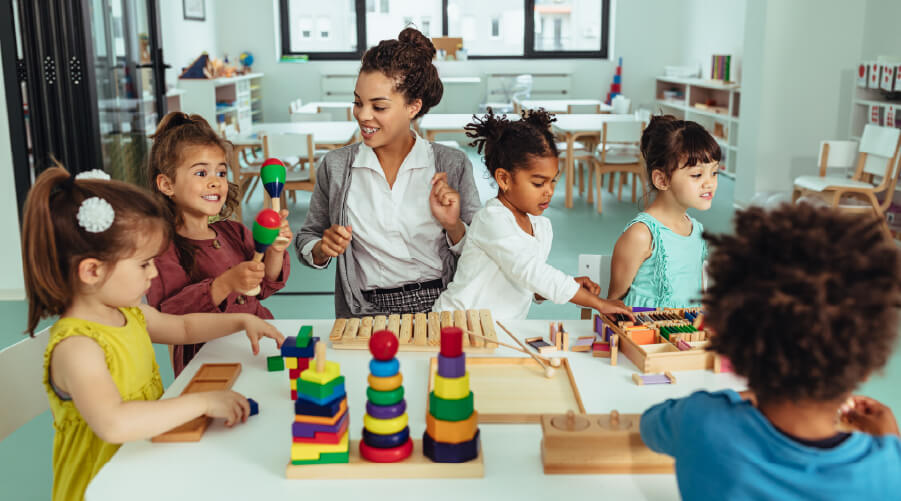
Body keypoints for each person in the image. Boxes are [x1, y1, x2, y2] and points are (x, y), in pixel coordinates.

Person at [22, 167, 284, 501]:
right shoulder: (78, 347)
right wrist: (201, 402)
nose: (154, 272)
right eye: (144, 264)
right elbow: (114, 423)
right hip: (103, 488)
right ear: (92, 271)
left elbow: (184, 326)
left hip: (144, 465)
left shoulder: (129, 314)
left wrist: (239, 322)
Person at [640, 204, 901, 500]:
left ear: (735, 353)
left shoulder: (700, 420)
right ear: (868, 365)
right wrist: (891, 441)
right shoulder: (889, 470)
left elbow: (650, 425)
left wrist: (733, 400)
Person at [295, 27, 480, 317]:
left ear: (413, 107)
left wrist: (453, 225)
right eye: (358, 102)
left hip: (444, 306)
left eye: (378, 106)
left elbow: (480, 252)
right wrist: (321, 247)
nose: (362, 115)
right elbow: (307, 236)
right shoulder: (336, 166)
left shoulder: (451, 164)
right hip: (363, 309)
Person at [433, 110, 632, 320]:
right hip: (455, 325)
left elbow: (529, 283)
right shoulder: (492, 219)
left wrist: (572, 285)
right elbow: (531, 272)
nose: (549, 191)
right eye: (538, 183)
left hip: (498, 331)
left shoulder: (542, 227)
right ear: (504, 179)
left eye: (553, 180)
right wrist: (599, 304)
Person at [146, 112, 292, 376]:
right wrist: (225, 283)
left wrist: (275, 251)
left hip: (255, 343)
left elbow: (264, 286)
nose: (215, 181)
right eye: (201, 172)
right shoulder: (163, 248)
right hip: (206, 359)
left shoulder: (233, 231)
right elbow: (167, 316)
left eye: (221, 172)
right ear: (167, 184)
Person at [608, 115, 719, 308]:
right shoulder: (641, 235)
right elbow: (612, 306)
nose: (709, 183)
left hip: (687, 335)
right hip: (644, 335)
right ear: (662, 180)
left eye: (714, 172)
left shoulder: (697, 231)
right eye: (697, 175)